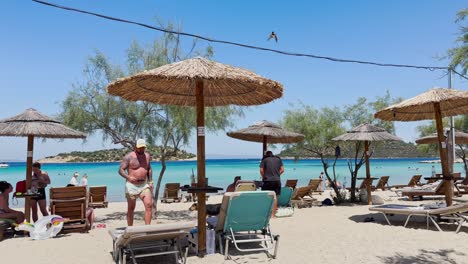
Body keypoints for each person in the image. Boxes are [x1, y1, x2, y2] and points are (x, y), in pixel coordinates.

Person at [119, 138, 153, 226]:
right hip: (131, 185)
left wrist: (150, 181)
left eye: (143, 147)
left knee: (149, 205)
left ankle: (147, 228)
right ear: (135, 147)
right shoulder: (129, 157)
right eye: (140, 147)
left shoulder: (147, 156)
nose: (141, 149)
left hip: (144, 185)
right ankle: (130, 228)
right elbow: (121, 170)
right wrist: (128, 177)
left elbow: (148, 168)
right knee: (131, 208)